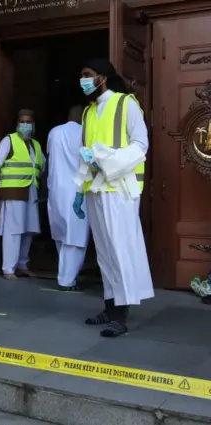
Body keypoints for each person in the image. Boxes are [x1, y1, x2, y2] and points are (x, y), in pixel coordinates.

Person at [73, 58, 154, 338]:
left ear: (102, 77)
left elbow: (141, 144)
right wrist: (78, 191)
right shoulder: (88, 112)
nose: (83, 80)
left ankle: (121, 315)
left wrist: (108, 162)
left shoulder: (125, 103)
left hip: (120, 188)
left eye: (87, 74)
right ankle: (109, 307)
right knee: (105, 253)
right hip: (96, 189)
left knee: (120, 250)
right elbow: (86, 153)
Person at [0, 109, 45, 280]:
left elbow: (43, 168)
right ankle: (8, 268)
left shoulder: (36, 145)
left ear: (33, 125)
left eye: (28, 122)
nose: (25, 125)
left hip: (31, 192)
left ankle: (22, 265)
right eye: (22, 122)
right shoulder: (9, 140)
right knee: (13, 231)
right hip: (13, 191)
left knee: (29, 230)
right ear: (17, 124)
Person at [47, 105, 90, 291]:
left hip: (56, 188)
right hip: (76, 189)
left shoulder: (54, 132)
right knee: (76, 237)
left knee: (61, 234)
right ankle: (67, 280)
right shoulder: (85, 133)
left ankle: (64, 274)